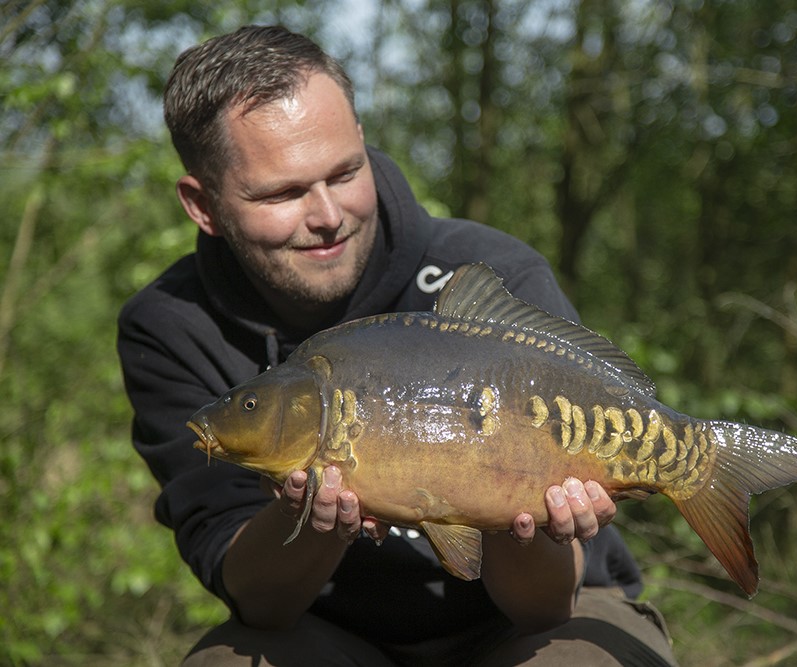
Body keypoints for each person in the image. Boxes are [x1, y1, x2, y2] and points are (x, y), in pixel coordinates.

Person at [117, 24, 678, 666]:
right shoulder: (168, 325)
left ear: (363, 142)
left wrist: (520, 506)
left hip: (540, 619)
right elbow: (259, 601)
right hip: (331, 634)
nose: (327, 214)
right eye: (282, 192)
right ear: (204, 204)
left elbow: (545, 606)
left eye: (345, 172)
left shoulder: (491, 272)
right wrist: (319, 519)